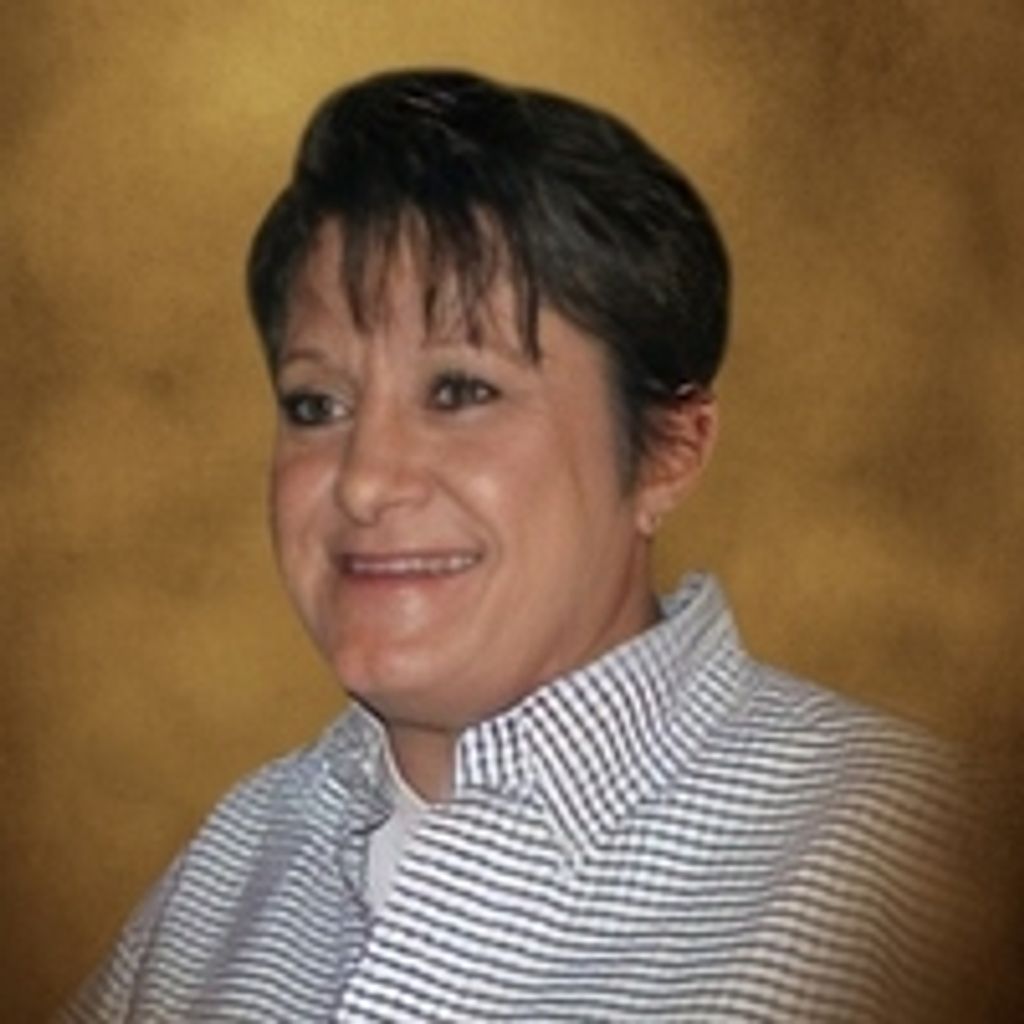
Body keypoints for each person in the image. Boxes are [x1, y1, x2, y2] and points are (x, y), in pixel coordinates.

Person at [61, 69, 966, 1022]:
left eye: (461, 390)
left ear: (668, 452)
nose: (365, 482)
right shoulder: (228, 868)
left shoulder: (923, 869)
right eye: (316, 404)